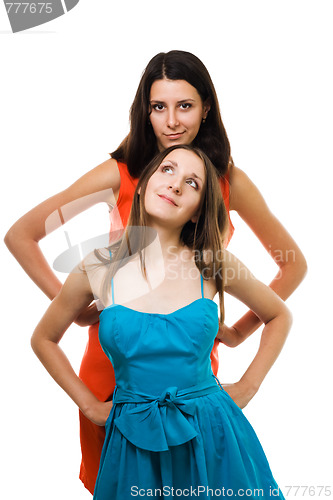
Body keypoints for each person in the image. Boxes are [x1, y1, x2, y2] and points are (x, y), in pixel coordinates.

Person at [4, 50, 306, 494]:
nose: (171, 121)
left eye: (184, 105)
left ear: (207, 108)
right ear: (145, 112)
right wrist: (80, 308)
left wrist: (238, 332)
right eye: (158, 106)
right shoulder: (121, 174)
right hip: (116, 358)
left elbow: (291, 266)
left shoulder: (226, 182)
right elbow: (23, 235)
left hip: (190, 358)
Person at [31, 145, 292, 499]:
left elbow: (278, 314)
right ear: (141, 185)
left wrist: (249, 385)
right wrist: (90, 405)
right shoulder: (98, 267)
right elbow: (44, 338)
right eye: (167, 170)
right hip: (133, 439)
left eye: (192, 183)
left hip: (212, 433)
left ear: (199, 211)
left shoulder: (213, 262)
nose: (175, 185)